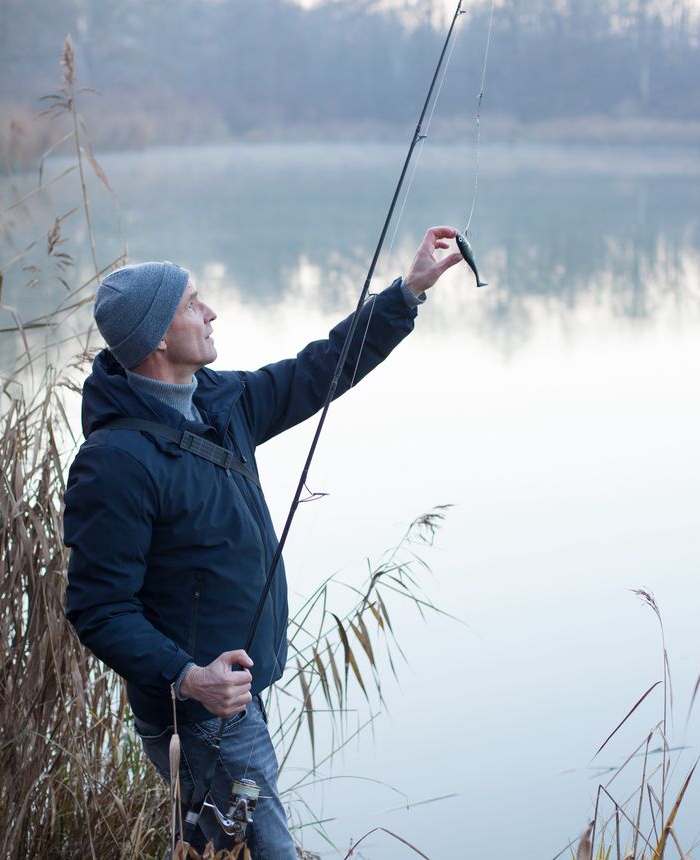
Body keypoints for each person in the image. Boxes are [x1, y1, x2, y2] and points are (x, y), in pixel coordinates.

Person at [62, 226, 463, 858]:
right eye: (193, 303)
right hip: (199, 715)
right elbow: (98, 609)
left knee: (217, 849)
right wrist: (190, 678)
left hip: (237, 698)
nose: (211, 311)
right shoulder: (115, 461)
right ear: (159, 337)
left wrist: (406, 293)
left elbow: (318, 369)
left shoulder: (220, 402)